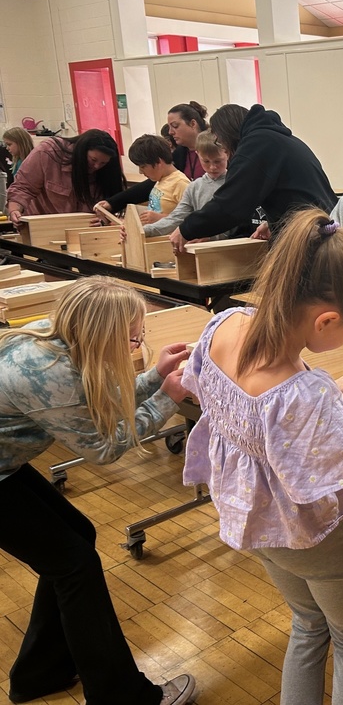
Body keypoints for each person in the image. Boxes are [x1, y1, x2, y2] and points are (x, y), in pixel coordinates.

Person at [181, 208, 343, 705]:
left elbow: (242, 403)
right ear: (327, 319)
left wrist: (327, 389)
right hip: (315, 537)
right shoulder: (306, 395)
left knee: (308, 624)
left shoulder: (227, 324)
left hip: (253, 522)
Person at [0, 276, 195, 705]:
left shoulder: (54, 343)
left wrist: (153, 377)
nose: (136, 342)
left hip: (5, 466)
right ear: (101, 332)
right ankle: (121, 697)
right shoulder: (44, 374)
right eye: (131, 337)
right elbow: (104, 448)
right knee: (73, 564)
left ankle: (40, 673)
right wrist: (166, 398)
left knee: (77, 542)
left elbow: (98, 398)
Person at [168, 104, 337, 253]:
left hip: (309, 237)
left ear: (226, 134)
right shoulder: (277, 138)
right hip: (320, 228)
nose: (224, 149)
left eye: (220, 141)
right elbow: (292, 193)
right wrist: (274, 223)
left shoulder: (256, 144)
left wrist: (186, 229)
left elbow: (230, 205)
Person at [102, 102, 209, 215]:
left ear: (193, 124)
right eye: (170, 127)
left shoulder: (216, 150)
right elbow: (152, 182)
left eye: (175, 126)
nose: (170, 132)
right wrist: (113, 203)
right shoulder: (181, 153)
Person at [143, 129, 250, 239]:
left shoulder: (235, 183)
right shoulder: (194, 187)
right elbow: (176, 218)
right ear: (198, 154)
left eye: (218, 161)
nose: (212, 167)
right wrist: (144, 231)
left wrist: (210, 238)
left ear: (227, 154)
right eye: (206, 161)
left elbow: (239, 226)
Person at [5, 129, 124, 225]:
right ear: (81, 152)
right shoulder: (48, 152)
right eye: (93, 160)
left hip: (80, 231)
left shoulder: (108, 170)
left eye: (103, 163)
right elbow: (23, 187)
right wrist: (15, 211)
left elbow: (109, 204)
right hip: (42, 227)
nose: (97, 166)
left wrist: (103, 220)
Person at [126, 134, 190, 225]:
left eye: (143, 166)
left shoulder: (180, 183)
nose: (140, 172)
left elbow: (192, 218)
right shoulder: (160, 179)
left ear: (158, 162)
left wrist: (161, 218)